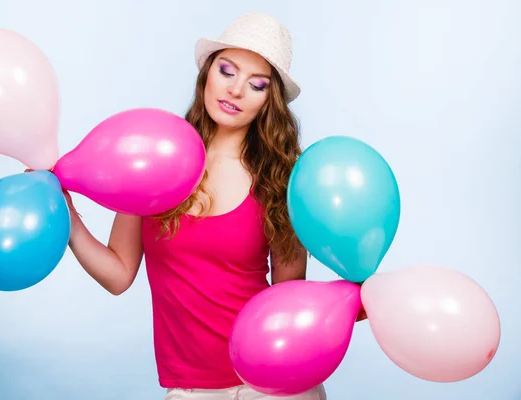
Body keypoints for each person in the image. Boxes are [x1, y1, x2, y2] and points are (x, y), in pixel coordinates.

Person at [63, 12, 362, 400]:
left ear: (267, 102)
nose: (236, 90)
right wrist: (68, 219)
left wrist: (351, 302)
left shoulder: (281, 183)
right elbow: (118, 275)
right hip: (191, 389)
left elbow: (288, 300)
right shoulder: (154, 160)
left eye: (256, 84)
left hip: (274, 384)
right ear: (207, 75)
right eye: (227, 71)